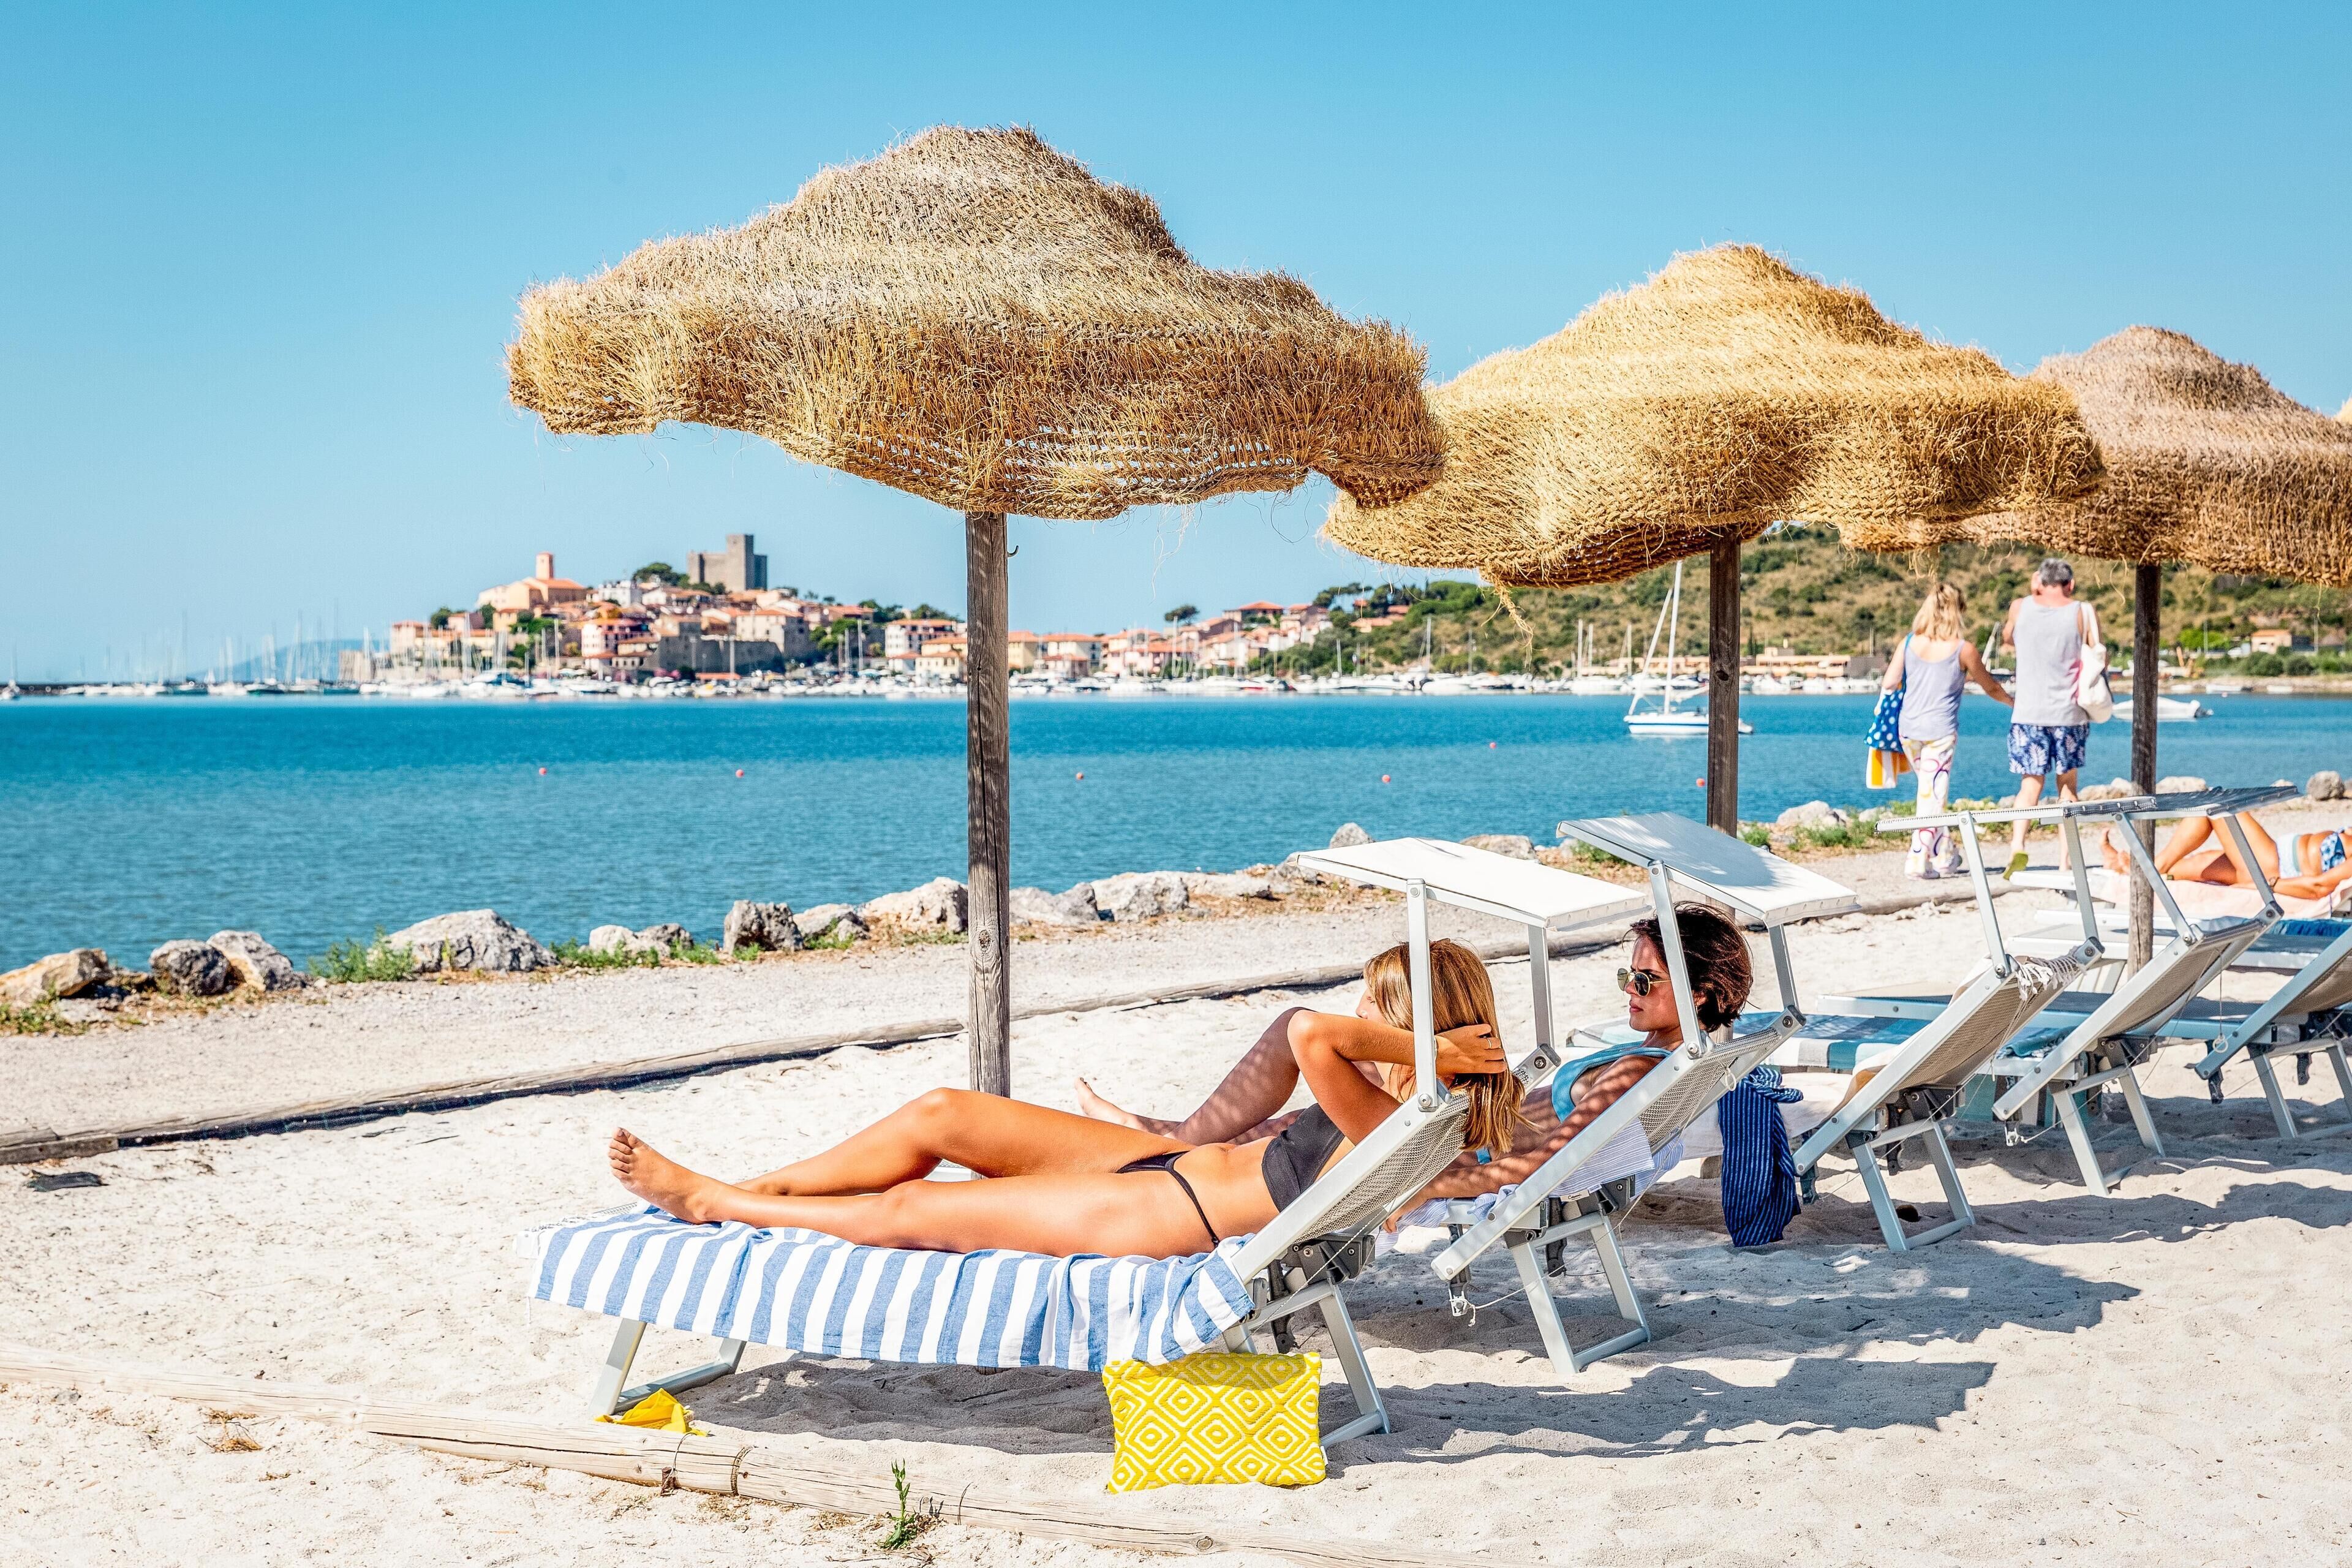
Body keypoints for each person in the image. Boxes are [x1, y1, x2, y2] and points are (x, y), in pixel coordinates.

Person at [606, 938, 1513, 1261]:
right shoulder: (1403, 1104)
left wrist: (1424, 1054)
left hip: (1165, 1211)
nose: (1358, 1017)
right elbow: (1293, 1028)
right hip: (1166, 1167)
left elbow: (1315, 1036)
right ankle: (768, 1187)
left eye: (1375, 1010)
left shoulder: (1405, 1126)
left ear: (1410, 1027)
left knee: (920, 1207)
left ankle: (714, 1201)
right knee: (942, 1113)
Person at [1079, 905, 1757, 1207]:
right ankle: (1171, 1141)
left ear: (1701, 997)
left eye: (1646, 982)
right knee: (1326, 1090)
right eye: (1627, 977)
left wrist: (1418, 1183)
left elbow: (1547, 1162)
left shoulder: (1641, 1072)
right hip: (1467, 1129)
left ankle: (1169, 1142)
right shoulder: (1666, 1060)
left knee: (1316, 1050)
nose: (1631, 991)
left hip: (1454, 1149)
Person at [1880, 582, 2013, 878]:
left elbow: (1889, 682)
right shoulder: (1964, 650)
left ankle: (1945, 856)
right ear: (1958, 612)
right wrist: (2013, 703)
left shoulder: (1909, 642)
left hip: (1909, 730)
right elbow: (1989, 686)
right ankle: (1917, 860)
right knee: (1933, 797)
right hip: (1939, 732)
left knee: (1929, 793)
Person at [2000, 558, 2101, 878]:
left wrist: (2032, 592)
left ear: (2039, 582)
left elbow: (2007, 639)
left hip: (2028, 713)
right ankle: (2065, 862)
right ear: (2070, 584)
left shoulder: (2020, 607)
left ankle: (2018, 846)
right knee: (2067, 788)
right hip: (2068, 714)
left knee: (2030, 784)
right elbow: (2098, 651)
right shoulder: (2083, 611)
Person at [2100, 812, 2352, 903]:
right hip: (2272, 859)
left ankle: (2146, 872)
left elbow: (2319, 887)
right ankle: (2128, 867)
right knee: (2198, 864)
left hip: (2271, 869)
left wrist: (2266, 885)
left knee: (2215, 807)